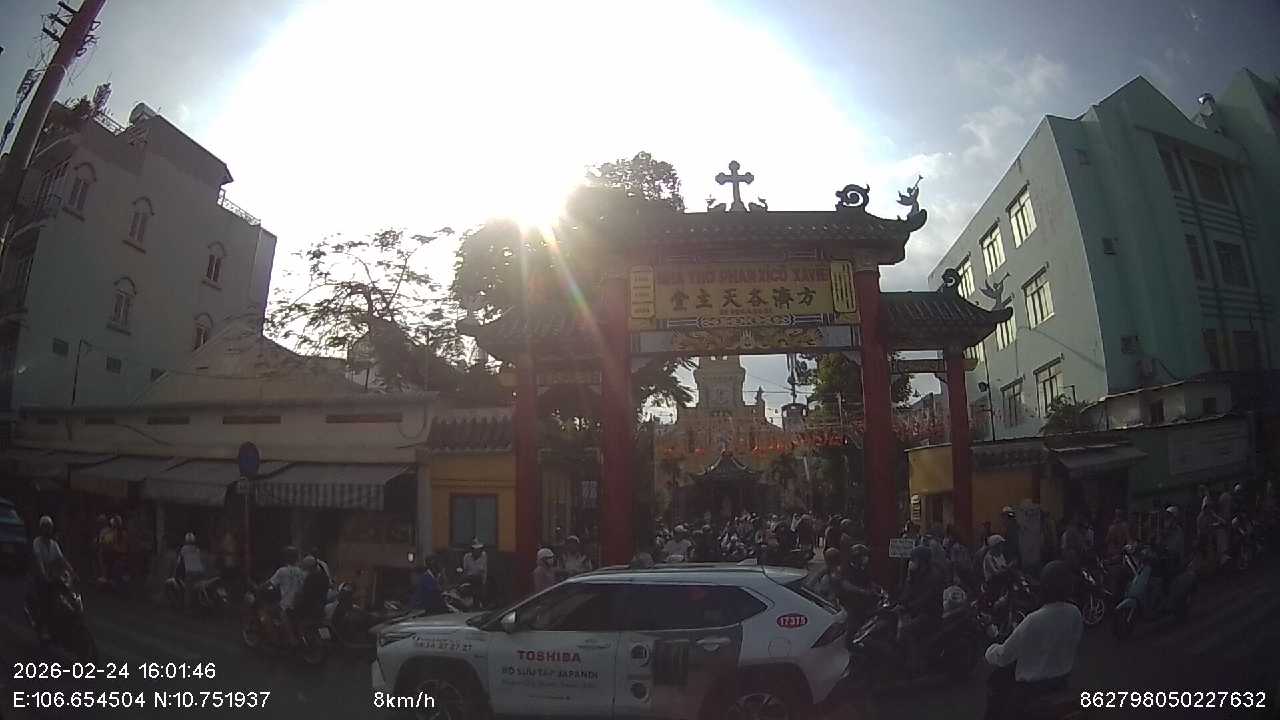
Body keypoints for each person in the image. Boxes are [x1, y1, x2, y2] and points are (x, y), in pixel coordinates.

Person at [984, 560, 1084, 720]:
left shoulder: (1033, 620)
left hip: (1031, 690)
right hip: (1062, 681)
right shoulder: (1075, 613)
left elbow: (1003, 656)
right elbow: (1074, 641)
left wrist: (990, 651)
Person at [897, 545, 946, 672]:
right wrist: (900, 602)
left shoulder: (933, 576)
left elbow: (926, 598)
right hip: (916, 611)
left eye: (915, 559)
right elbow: (907, 591)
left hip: (930, 613)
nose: (912, 562)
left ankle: (915, 664)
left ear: (923, 561)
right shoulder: (915, 574)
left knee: (907, 630)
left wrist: (908, 607)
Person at [30, 516, 71, 640]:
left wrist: (72, 572)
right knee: (46, 602)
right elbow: (39, 561)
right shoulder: (37, 542)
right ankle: (44, 628)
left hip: (52, 575)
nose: (47, 530)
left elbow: (62, 559)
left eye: (49, 527)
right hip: (41, 576)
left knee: (64, 596)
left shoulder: (54, 544)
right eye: (45, 527)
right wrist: (44, 575)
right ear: (41, 528)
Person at [268, 547, 305, 646]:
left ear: (285, 558)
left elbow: (271, 583)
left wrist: (260, 586)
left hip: (286, 604)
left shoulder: (282, 571)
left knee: (270, 611)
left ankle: (279, 640)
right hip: (298, 603)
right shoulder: (300, 572)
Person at [293, 556, 330, 639]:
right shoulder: (324, 576)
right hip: (320, 607)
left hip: (310, 609)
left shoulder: (310, 578)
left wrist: (297, 601)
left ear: (309, 567)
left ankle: (300, 639)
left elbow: (305, 595)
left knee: (295, 618)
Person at [176, 532, 206, 613]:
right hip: (199, 571)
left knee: (188, 591)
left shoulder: (184, 549)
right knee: (197, 590)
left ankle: (188, 609)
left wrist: (178, 571)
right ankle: (198, 606)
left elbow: (179, 562)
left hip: (190, 572)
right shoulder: (197, 549)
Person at [462, 539, 489, 604]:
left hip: (479, 578)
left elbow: (484, 571)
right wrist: (464, 579)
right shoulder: (467, 557)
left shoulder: (484, 556)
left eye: (479, 549)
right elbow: (465, 570)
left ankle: (479, 602)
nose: (477, 551)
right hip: (469, 578)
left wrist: (483, 583)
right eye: (475, 549)